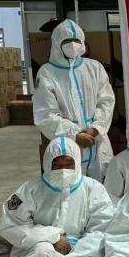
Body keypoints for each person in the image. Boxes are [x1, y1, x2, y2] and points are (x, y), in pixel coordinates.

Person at [0, 136, 114, 257]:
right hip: (41, 248)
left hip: (81, 250)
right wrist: (53, 236)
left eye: (69, 164)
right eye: (57, 165)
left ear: (77, 162)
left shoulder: (93, 189)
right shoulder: (30, 189)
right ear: (46, 164)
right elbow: (10, 224)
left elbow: (102, 230)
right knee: (42, 252)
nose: (63, 170)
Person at [33, 18, 116, 181]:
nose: (72, 45)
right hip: (68, 144)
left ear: (82, 42)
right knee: (71, 185)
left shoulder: (94, 67)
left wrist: (95, 128)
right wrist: (74, 135)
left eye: (76, 40)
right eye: (66, 41)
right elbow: (45, 114)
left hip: (97, 141)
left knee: (102, 186)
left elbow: (106, 101)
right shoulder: (47, 73)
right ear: (56, 43)